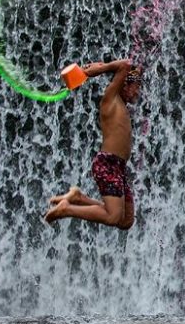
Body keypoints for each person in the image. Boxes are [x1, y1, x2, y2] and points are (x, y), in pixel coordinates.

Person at [45, 59, 141, 229]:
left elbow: (132, 68)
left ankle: (78, 198)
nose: (138, 92)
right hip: (108, 163)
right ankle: (66, 209)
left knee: (126, 221)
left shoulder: (122, 104)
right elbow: (125, 65)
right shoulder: (111, 99)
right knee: (112, 217)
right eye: (136, 87)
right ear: (124, 85)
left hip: (119, 166)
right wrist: (102, 68)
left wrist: (139, 70)